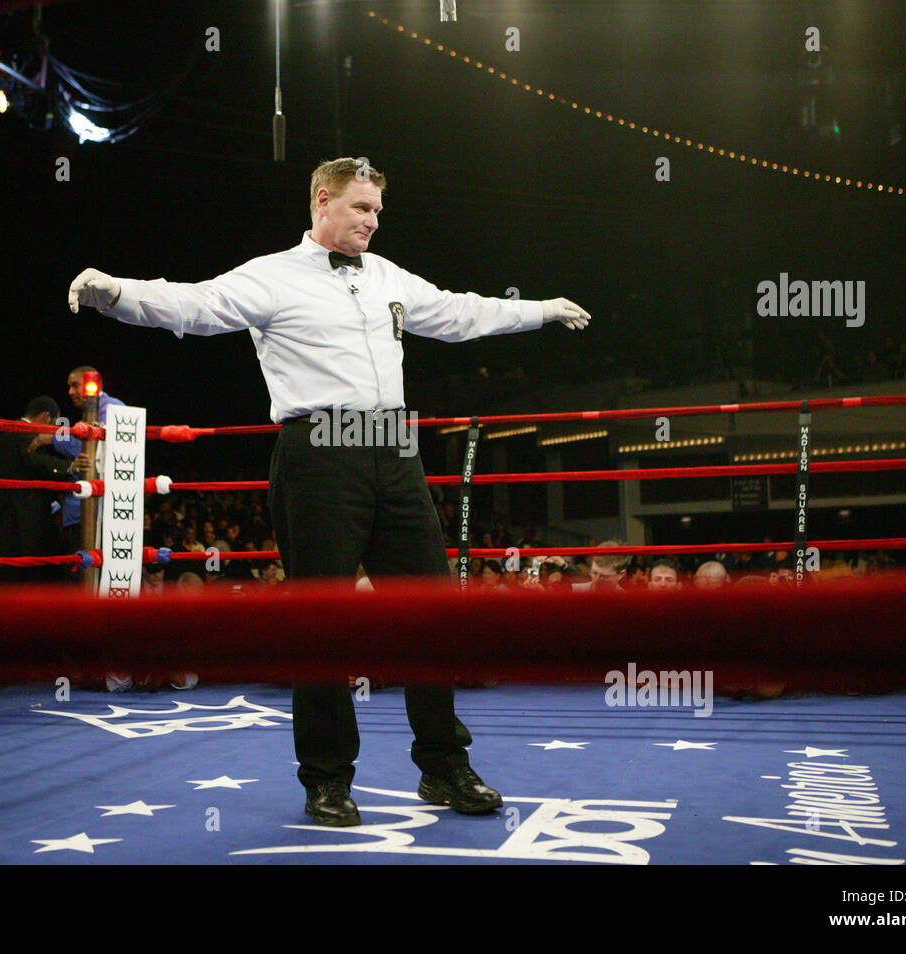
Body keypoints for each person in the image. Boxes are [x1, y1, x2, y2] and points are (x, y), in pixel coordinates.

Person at [69, 156, 590, 827]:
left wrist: (538, 310)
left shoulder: (389, 278)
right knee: (325, 618)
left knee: (431, 612)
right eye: (361, 209)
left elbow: (460, 314)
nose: (373, 222)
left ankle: (445, 766)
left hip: (395, 450)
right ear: (323, 200)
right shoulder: (272, 275)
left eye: (377, 211)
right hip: (318, 452)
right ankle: (326, 779)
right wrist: (118, 293)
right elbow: (196, 306)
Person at [0, 396, 87, 582]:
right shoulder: (22, 433)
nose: (53, 431)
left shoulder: (7, 434)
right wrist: (70, 467)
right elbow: (36, 460)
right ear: (47, 417)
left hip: (7, 522)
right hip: (17, 526)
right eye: (54, 424)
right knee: (19, 584)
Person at [52, 366, 125, 553]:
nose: (70, 392)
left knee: (86, 573)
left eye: (75, 386)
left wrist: (54, 436)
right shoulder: (94, 413)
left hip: (97, 512)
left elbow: (90, 450)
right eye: (69, 387)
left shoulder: (112, 409)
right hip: (83, 510)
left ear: (92, 385)